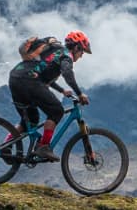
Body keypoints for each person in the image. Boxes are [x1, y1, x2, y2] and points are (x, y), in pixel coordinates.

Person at [9, 30, 92, 161]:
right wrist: (80, 93)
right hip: (30, 81)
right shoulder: (66, 56)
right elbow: (67, 74)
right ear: (77, 47)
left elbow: (43, 72)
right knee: (56, 111)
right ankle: (43, 146)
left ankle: (4, 147)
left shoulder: (55, 51)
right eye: (82, 52)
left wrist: (61, 90)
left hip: (16, 78)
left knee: (29, 122)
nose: (81, 56)